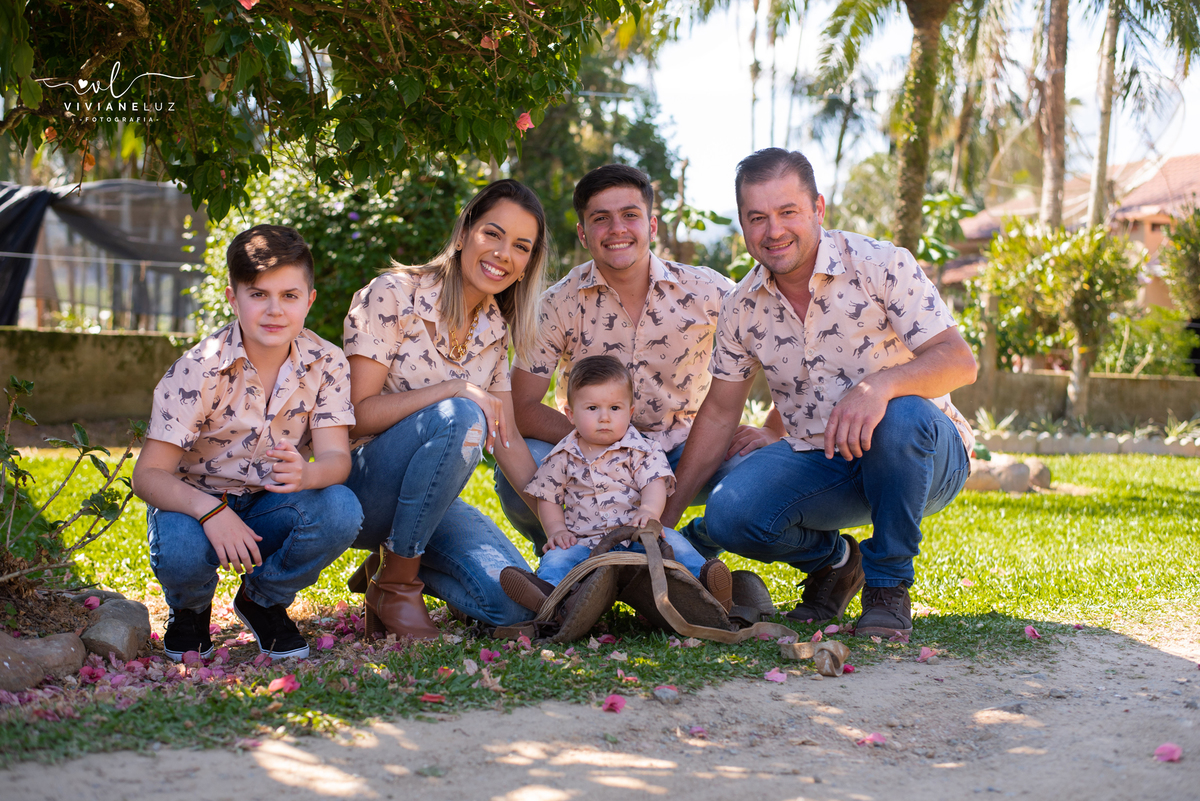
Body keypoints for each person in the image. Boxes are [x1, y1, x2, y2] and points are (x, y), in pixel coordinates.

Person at [661, 149, 978, 637]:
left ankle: (888, 586)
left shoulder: (880, 264)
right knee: (729, 513)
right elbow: (720, 413)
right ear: (743, 225)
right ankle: (837, 561)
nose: (774, 231)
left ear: (818, 209)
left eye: (788, 212)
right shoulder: (741, 306)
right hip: (825, 458)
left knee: (900, 416)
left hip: (922, 455)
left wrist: (880, 386)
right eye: (757, 218)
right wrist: (663, 523)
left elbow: (960, 360)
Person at [496, 163, 783, 553]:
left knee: (761, 474)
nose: (617, 229)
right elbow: (522, 406)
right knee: (524, 467)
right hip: (591, 445)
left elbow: (786, 342)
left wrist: (773, 429)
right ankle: (576, 556)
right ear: (583, 233)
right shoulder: (557, 305)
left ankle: (692, 547)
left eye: (630, 215)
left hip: (685, 448)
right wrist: (609, 447)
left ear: (652, 225)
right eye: (601, 219)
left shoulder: (706, 289)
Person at [132, 225, 363, 661]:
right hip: (194, 504)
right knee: (181, 549)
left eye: (290, 296)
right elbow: (147, 476)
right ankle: (191, 610)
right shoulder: (199, 368)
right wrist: (211, 511)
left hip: (267, 505)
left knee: (341, 508)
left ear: (309, 300)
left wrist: (309, 473)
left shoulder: (328, 362)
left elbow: (336, 459)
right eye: (258, 294)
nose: (275, 310)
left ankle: (261, 599)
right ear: (232, 298)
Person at [342, 179, 549, 640]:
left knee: (516, 605)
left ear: (527, 264)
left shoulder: (496, 328)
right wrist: (453, 388)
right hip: (363, 489)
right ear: (463, 234)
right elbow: (355, 414)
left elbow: (509, 440)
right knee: (461, 413)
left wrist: (558, 522)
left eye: (520, 246)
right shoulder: (393, 295)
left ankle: (392, 567)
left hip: (428, 499)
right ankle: (395, 586)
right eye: (492, 234)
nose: (502, 253)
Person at [498, 356, 731, 613]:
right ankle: (547, 596)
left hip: (638, 537)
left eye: (615, 408)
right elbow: (548, 497)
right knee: (558, 558)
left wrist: (650, 512)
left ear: (630, 412)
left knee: (676, 546)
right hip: (583, 542)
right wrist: (556, 530)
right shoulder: (562, 455)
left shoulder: (641, 450)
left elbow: (653, 483)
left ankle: (705, 585)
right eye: (592, 408)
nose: (605, 418)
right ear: (570, 414)